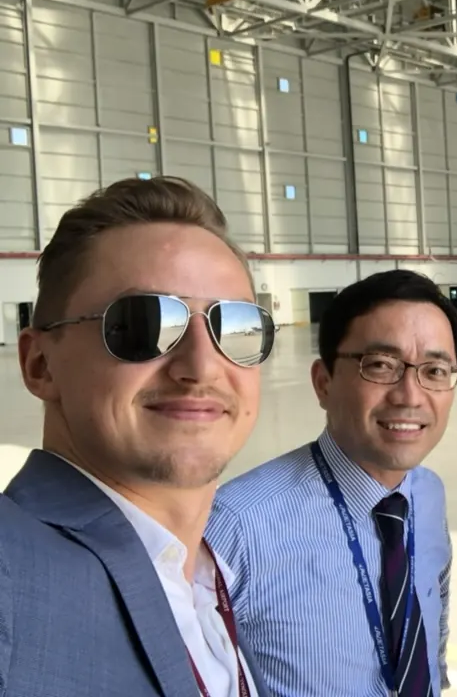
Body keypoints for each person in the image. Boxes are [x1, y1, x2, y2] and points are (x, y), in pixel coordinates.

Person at [1, 176, 276, 696]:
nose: (201, 366)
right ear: (40, 364)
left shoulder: (202, 579)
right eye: (143, 323)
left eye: (235, 326)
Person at [205, 269, 457, 697]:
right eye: (381, 365)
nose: (410, 395)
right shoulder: (237, 530)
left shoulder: (428, 493)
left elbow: (433, 624)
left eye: (435, 370)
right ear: (323, 383)